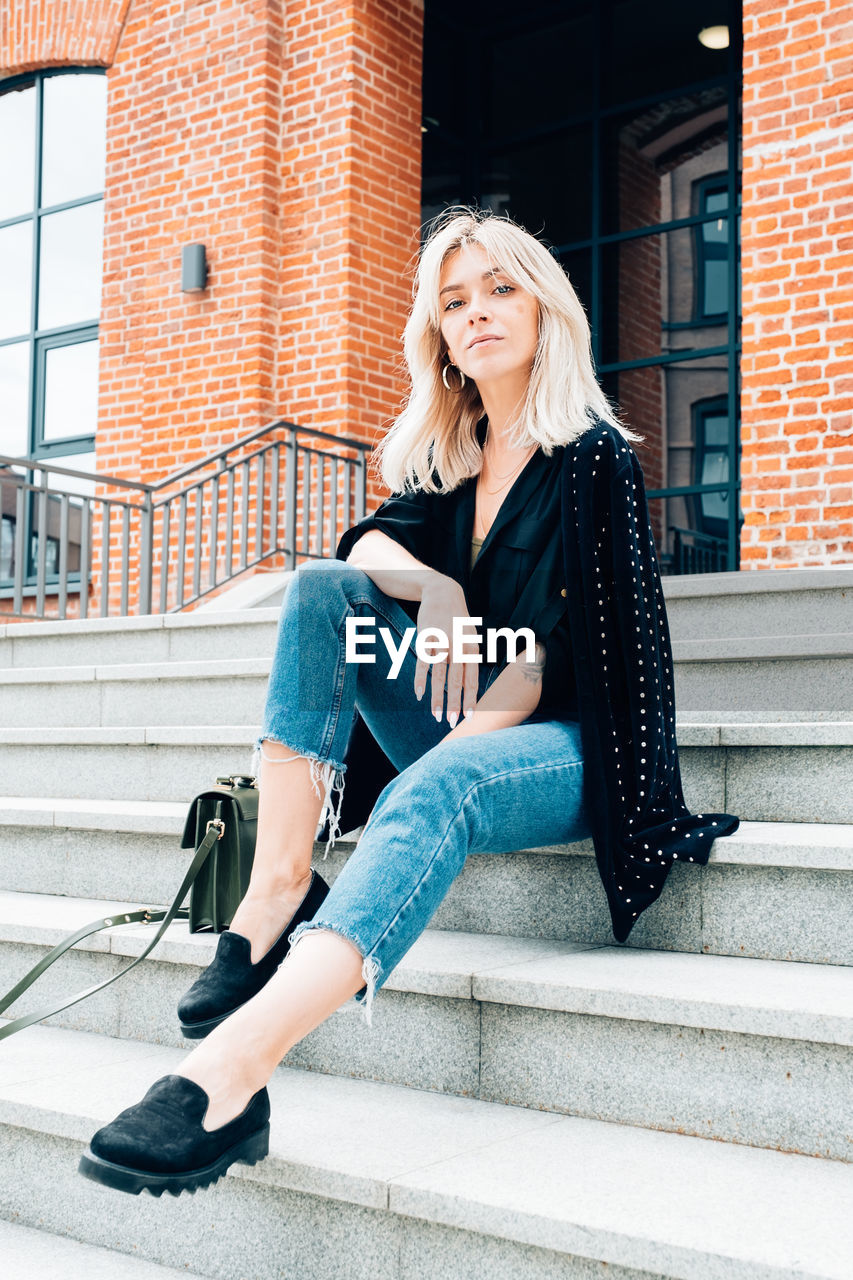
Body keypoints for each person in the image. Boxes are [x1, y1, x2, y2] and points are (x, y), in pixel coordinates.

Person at [78, 206, 738, 1197]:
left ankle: (232, 1069)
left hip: (567, 742)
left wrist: (431, 772)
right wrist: (434, 589)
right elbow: (363, 549)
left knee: (439, 785)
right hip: (466, 705)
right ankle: (276, 890)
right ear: (438, 333)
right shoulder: (458, 452)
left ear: (543, 306)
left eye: (499, 290)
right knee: (316, 591)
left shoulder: (593, 459)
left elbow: (552, 660)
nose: (476, 314)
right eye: (454, 300)